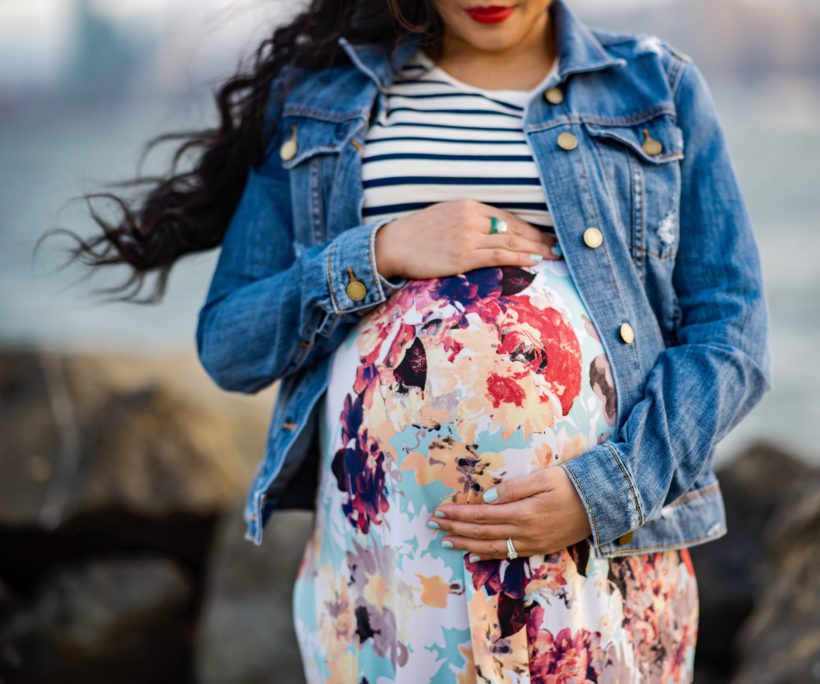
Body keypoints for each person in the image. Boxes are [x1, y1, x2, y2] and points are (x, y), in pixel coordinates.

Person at [51, 0, 772, 680]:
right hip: (391, 563)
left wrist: (606, 492)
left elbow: (732, 335)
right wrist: (381, 250)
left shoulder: (655, 87)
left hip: (593, 545)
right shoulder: (319, 100)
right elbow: (230, 344)